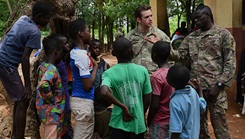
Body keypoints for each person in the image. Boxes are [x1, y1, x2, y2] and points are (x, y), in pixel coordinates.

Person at [169, 4, 236, 139]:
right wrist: (164, 46)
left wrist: (219, 85)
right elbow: (181, 56)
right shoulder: (191, 37)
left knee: (221, 129)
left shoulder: (223, 35)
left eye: (198, 18)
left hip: (216, 91)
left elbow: (230, 63)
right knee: (199, 130)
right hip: (196, 91)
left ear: (208, 16)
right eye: (194, 18)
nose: (195, 21)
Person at [0, 1, 51, 139]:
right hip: (7, 64)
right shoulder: (35, 32)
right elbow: (24, 58)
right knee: (23, 100)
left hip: (2, 58)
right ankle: (19, 137)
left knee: (19, 99)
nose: (48, 21)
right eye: (47, 18)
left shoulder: (23, 19)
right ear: (40, 17)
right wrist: (28, 86)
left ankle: (16, 135)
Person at [100, 37, 152, 139]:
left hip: (118, 122)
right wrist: (140, 113)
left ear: (114, 53)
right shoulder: (143, 71)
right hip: (138, 123)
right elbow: (148, 97)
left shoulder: (109, 73)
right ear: (132, 51)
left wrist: (123, 107)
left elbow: (104, 92)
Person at [68, 19, 98, 139]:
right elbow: (88, 85)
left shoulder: (77, 53)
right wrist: (95, 66)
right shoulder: (81, 56)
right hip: (83, 102)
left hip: (81, 101)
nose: (89, 34)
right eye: (88, 30)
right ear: (80, 33)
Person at [36, 36, 67, 139]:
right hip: (51, 114)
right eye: (61, 53)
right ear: (56, 52)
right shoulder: (52, 69)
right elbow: (43, 85)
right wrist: (52, 100)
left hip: (46, 113)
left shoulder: (43, 66)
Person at [126, 5, 170, 74]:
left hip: (153, 76)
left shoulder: (160, 35)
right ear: (138, 20)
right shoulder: (130, 36)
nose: (150, 19)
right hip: (135, 75)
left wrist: (160, 44)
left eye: (151, 16)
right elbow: (125, 57)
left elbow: (173, 56)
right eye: (147, 17)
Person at [166, 64, 206, 139]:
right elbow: (202, 107)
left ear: (171, 83)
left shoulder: (175, 102)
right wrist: (199, 89)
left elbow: (176, 130)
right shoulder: (193, 92)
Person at [147, 41, 174, 139]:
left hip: (160, 120)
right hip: (174, 119)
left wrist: (149, 119)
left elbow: (155, 104)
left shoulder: (156, 77)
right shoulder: (175, 72)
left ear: (154, 55)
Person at [89, 39, 111, 139]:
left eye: (99, 48)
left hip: (102, 103)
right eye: (94, 48)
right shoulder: (86, 62)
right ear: (89, 48)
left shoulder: (105, 64)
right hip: (90, 101)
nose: (97, 50)